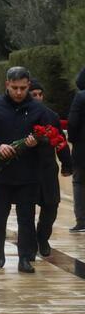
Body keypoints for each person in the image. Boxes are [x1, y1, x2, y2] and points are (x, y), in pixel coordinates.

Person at [0, 66, 50, 273]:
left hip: (28, 174)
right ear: (7, 84)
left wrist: (38, 141)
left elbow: (48, 136)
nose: (19, 92)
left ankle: (24, 258)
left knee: (26, 217)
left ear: (28, 86)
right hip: (2, 173)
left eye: (23, 88)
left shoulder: (38, 109)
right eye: (15, 87)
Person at [28, 80, 72, 255]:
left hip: (47, 169)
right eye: (34, 94)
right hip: (28, 169)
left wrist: (67, 164)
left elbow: (60, 142)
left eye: (40, 94)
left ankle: (43, 237)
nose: (38, 98)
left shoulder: (51, 116)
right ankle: (29, 244)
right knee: (27, 210)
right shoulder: (20, 115)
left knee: (51, 206)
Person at [68, 67, 85, 232]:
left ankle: (82, 221)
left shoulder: (80, 97)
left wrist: (72, 140)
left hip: (82, 149)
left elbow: (73, 122)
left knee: (79, 182)